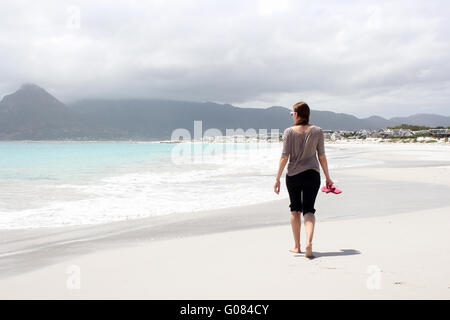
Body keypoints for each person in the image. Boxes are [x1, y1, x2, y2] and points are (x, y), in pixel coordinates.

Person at [274, 101, 333, 259]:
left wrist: (277, 178)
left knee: (295, 210)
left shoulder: (288, 132)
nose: (292, 116)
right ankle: (309, 242)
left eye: (293, 113)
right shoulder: (318, 131)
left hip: (293, 175)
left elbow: (284, 157)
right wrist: (328, 177)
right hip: (312, 174)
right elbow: (321, 156)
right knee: (309, 210)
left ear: (297, 114)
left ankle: (297, 246)